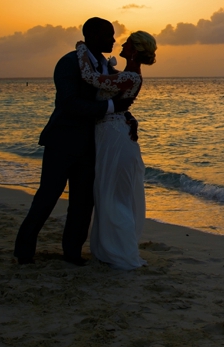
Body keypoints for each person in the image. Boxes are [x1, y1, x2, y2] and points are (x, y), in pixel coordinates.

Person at [14, 17, 136, 266]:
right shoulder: (69, 63)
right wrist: (113, 106)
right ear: (91, 35)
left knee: (83, 202)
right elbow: (69, 103)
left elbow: (113, 96)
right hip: (63, 141)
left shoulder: (105, 67)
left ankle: (72, 252)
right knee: (47, 197)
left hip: (92, 145)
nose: (113, 40)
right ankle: (24, 251)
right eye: (108, 35)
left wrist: (127, 116)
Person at [73, 31, 157, 270]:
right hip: (109, 134)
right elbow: (109, 85)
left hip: (115, 138)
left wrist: (81, 48)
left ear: (134, 50)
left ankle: (121, 252)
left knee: (114, 195)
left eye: (127, 43)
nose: (122, 43)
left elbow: (91, 77)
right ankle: (109, 249)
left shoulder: (131, 77)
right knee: (106, 191)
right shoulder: (127, 75)